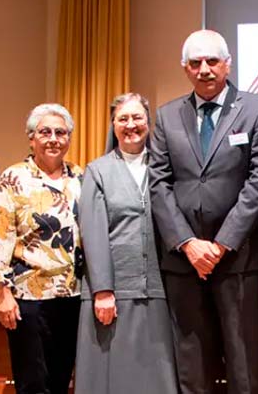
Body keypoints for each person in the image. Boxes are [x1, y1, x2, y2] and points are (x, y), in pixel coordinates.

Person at [149, 29, 258, 394]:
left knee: (244, 363)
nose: (204, 69)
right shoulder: (167, 115)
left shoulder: (257, 109)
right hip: (183, 262)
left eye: (212, 61)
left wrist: (221, 245)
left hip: (239, 259)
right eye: (195, 63)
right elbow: (158, 184)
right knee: (191, 363)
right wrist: (189, 244)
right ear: (185, 68)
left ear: (228, 64)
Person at [76, 93, 180, 393]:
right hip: (112, 294)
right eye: (123, 118)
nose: (130, 125)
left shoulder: (165, 167)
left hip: (161, 289)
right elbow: (93, 233)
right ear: (113, 125)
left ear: (149, 123)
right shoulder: (98, 170)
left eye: (137, 118)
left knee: (156, 378)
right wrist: (103, 290)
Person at [0, 103, 82, 394]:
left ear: (68, 138)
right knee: (33, 382)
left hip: (73, 296)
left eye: (60, 132)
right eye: (45, 132)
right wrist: (1, 292)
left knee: (61, 379)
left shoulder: (81, 177)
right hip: (29, 298)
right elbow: (1, 237)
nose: (53, 138)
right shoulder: (13, 178)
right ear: (32, 138)